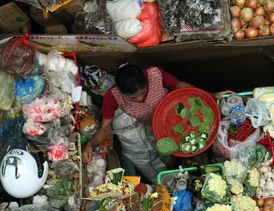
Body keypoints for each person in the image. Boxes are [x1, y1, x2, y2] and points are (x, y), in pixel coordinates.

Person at [82, 63, 231, 183]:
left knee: (193, 143)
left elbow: (179, 85)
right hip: (155, 128)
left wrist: (208, 95)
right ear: (122, 92)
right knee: (167, 154)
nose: (140, 99)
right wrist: (90, 144)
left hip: (178, 117)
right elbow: (104, 128)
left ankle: (193, 161)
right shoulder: (113, 96)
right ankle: (175, 167)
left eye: (143, 93)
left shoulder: (154, 74)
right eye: (133, 98)